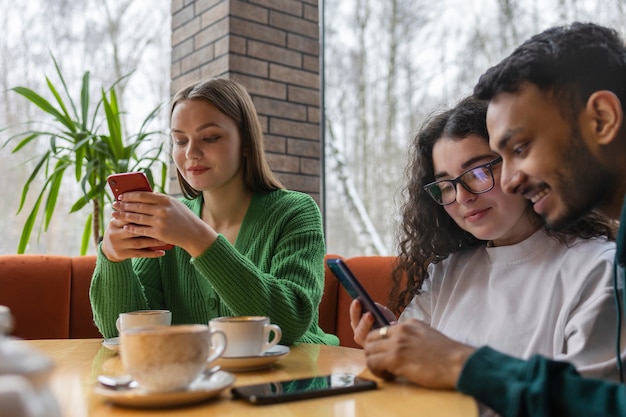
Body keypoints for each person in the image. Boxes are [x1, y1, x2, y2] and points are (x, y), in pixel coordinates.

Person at [359, 22, 626, 417]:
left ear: (602, 118)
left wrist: (459, 363)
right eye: (446, 185)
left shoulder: (599, 269)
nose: (514, 178)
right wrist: (395, 350)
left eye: (485, 170)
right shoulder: (448, 272)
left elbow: (590, 404)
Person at [90, 78, 338, 346]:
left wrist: (197, 238)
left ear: (245, 142)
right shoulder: (167, 223)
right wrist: (113, 259)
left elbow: (287, 325)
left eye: (210, 138)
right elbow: (123, 333)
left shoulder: (295, 212)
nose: (191, 153)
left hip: (295, 378)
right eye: (180, 140)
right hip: (199, 383)